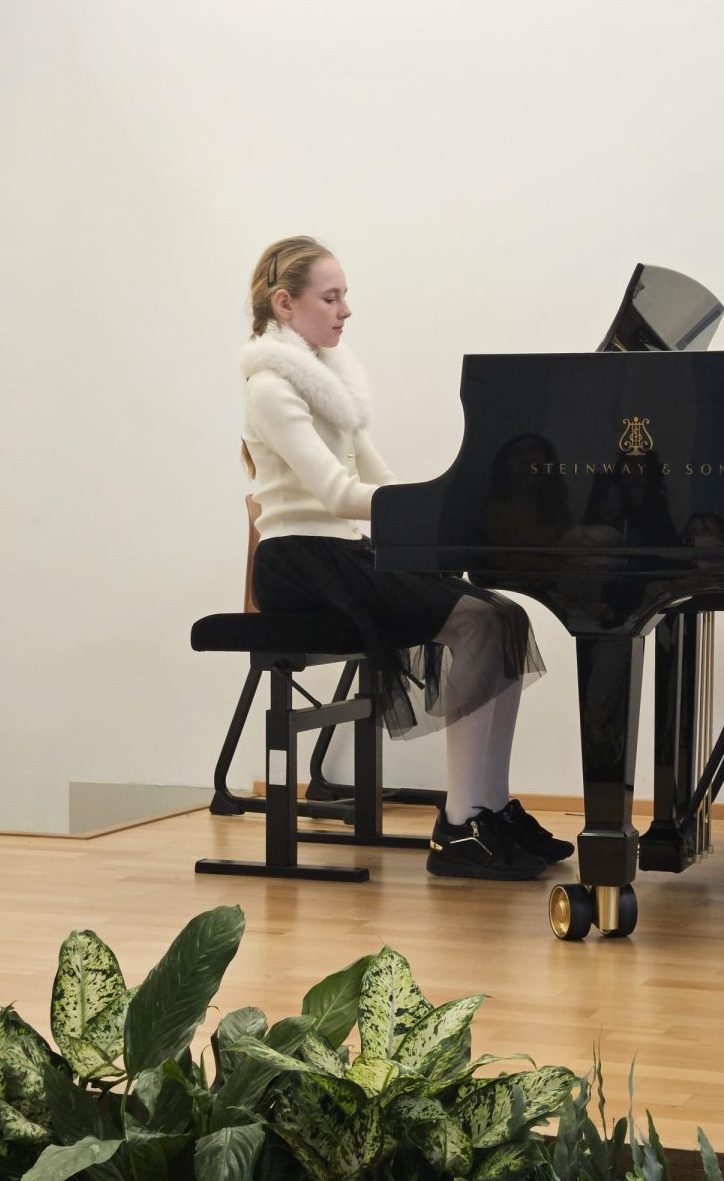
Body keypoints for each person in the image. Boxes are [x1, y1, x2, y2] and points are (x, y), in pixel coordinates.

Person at [239, 236, 573, 880]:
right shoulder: (270, 388)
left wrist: (453, 507)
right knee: (478, 621)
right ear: (285, 304)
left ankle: (490, 809)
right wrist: (437, 507)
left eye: (344, 296)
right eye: (330, 298)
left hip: (341, 552)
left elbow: (383, 482)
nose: (346, 310)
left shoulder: (330, 386)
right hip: (301, 560)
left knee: (505, 618)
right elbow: (337, 493)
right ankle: (459, 824)